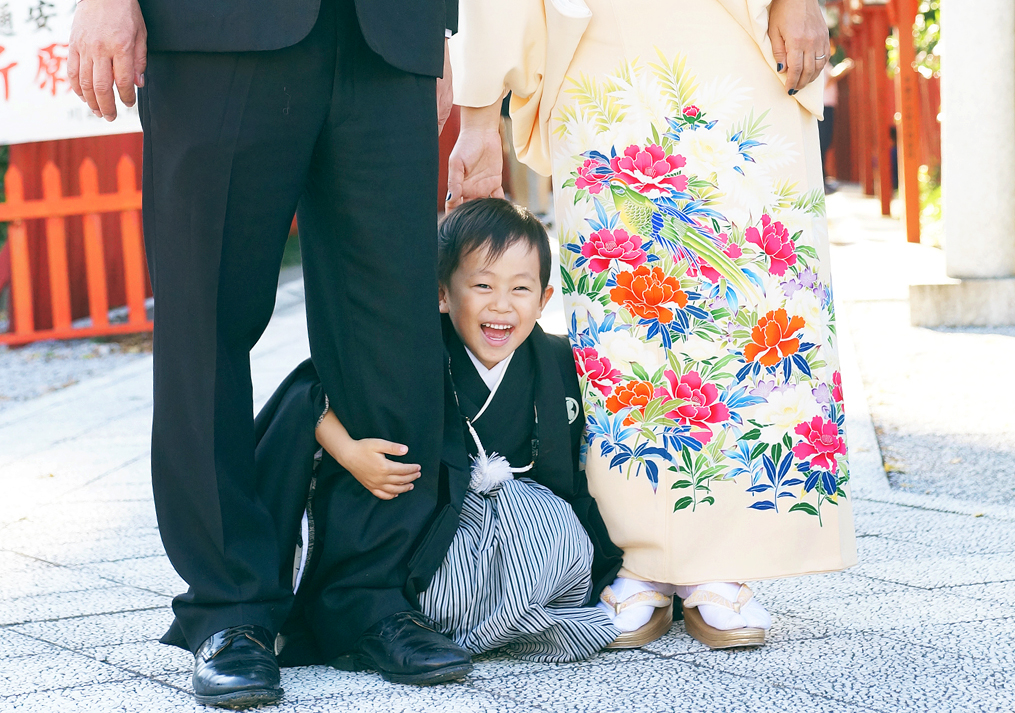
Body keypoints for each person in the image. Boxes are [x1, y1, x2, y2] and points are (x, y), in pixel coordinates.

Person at [68, 0, 467, 707]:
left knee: (392, 322)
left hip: (386, 32)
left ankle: (367, 594)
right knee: (206, 319)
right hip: (217, 28)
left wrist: (436, 30)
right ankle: (229, 607)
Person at [447, 0, 857, 651]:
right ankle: (638, 557)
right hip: (605, 41)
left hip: (732, 31)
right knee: (626, 304)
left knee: (749, 291)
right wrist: (477, 115)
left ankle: (721, 560)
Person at [254, 198, 625, 668]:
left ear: (544, 299)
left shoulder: (556, 363)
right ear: (443, 295)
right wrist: (348, 452)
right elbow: (309, 392)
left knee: (562, 536)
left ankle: (476, 622)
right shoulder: (415, 353)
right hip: (429, 536)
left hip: (522, 536)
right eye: (483, 285)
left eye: (520, 289)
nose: (502, 306)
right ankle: (432, 623)